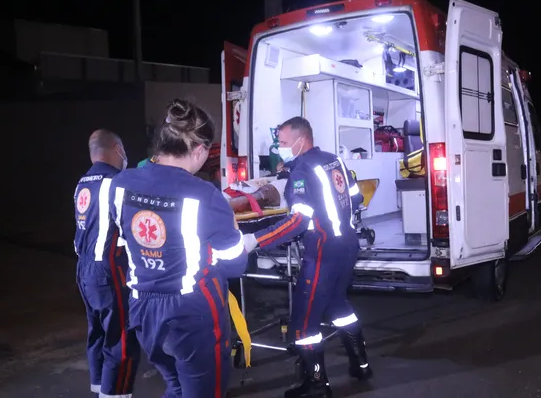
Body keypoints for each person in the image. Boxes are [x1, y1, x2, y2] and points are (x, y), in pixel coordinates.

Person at [108, 99, 248, 397]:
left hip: (143, 310)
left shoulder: (121, 183)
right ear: (198, 150)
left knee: (174, 384)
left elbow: (125, 236)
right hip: (191, 312)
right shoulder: (206, 195)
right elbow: (235, 264)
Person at [242, 116, 371, 398]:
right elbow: (355, 197)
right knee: (338, 305)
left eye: (285, 142)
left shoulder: (301, 171)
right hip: (347, 244)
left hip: (323, 251)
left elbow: (298, 222)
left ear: (301, 140)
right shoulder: (333, 160)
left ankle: (316, 384)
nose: (281, 147)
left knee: (304, 322)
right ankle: (361, 364)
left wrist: (254, 240)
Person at [73, 129, 140, 397]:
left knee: (98, 333)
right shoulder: (116, 182)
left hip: (84, 269)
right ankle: (116, 393)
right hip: (109, 268)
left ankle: (100, 388)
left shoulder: (82, 182)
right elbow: (129, 227)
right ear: (116, 148)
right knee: (121, 340)